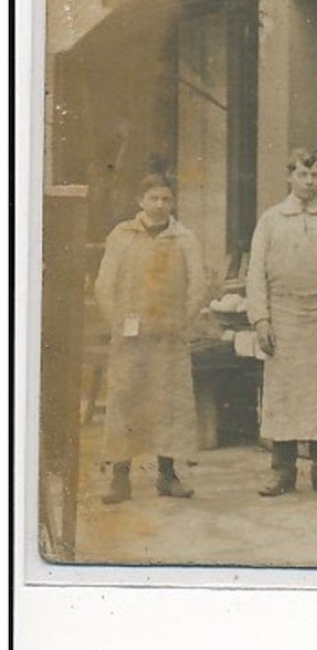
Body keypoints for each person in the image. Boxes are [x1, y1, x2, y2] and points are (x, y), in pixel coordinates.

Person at [246, 149, 317, 497]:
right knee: (284, 394)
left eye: (316, 176)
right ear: (290, 177)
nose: (309, 182)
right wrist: (261, 318)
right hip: (284, 318)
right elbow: (256, 274)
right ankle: (283, 470)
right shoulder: (271, 220)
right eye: (302, 175)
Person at [93, 174, 207, 504]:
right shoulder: (122, 236)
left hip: (169, 338)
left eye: (166, 199)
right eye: (153, 198)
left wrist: (182, 322)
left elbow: (197, 286)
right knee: (125, 402)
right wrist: (117, 320)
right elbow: (104, 283)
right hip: (130, 337)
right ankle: (119, 478)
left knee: (169, 405)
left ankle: (167, 476)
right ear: (140, 201)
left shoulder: (184, 238)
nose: (159, 205)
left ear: (173, 202)